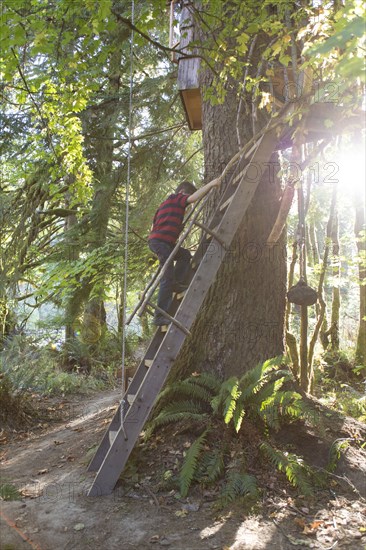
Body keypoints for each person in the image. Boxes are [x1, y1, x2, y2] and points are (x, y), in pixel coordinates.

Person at [148, 177, 221, 325]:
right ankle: (159, 316)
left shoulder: (164, 205)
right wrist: (212, 184)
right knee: (166, 275)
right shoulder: (177, 198)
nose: (186, 207)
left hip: (161, 242)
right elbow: (193, 198)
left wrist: (174, 227)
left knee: (184, 255)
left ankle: (177, 282)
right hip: (162, 243)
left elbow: (154, 225)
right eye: (185, 197)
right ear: (182, 192)